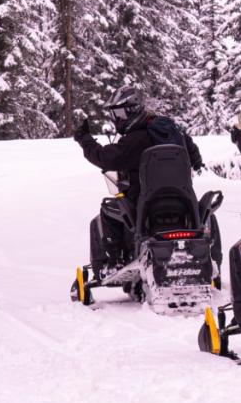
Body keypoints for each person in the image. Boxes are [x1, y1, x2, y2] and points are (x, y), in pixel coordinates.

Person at [73, 84, 204, 269]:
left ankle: (114, 263)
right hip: (183, 199)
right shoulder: (170, 130)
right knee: (206, 213)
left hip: (144, 200)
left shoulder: (136, 139)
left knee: (108, 210)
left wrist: (85, 140)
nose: (118, 119)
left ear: (133, 110)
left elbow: (105, 158)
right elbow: (192, 150)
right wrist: (197, 163)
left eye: (120, 114)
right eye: (115, 115)